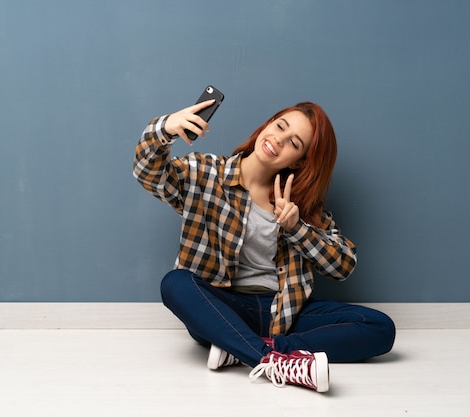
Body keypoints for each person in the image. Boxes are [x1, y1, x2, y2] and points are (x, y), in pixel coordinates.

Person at [133, 98, 395, 393]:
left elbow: (344, 265)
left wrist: (297, 229)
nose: (278, 140)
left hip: (283, 313)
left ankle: (244, 348)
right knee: (175, 283)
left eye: (293, 143)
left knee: (380, 328)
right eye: (279, 126)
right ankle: (271, 359)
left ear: (298, 160)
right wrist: (164, 129)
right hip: (222, 309)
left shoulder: (300, 206)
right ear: (267, 125)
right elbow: (147, 172)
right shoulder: (204, 173)